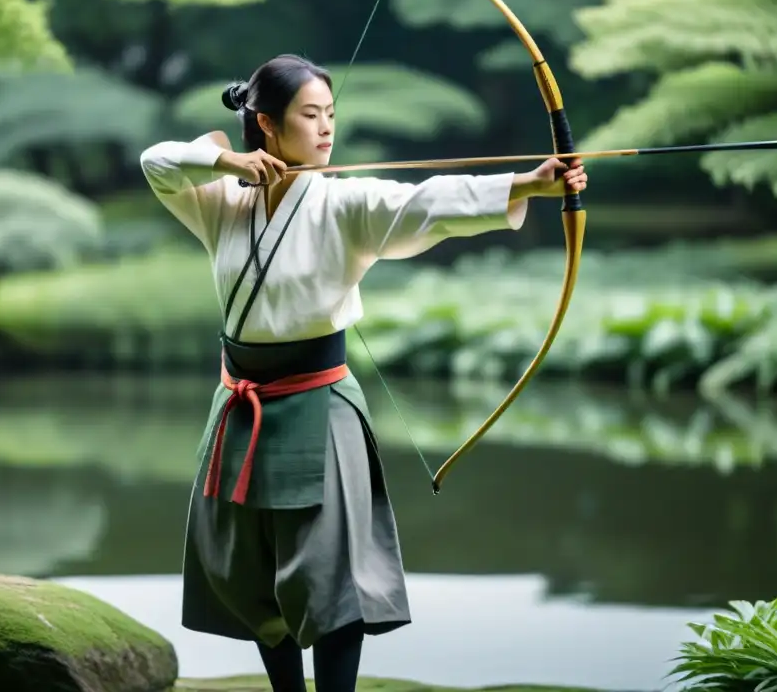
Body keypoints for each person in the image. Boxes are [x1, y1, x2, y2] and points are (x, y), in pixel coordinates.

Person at [138, 53, 588, 692]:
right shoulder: (221, 204)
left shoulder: (345, 203)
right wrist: (224, 162)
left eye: (331, 115)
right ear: (265, 124)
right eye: (310, 115)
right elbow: (155, 162)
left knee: (331, 575)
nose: (326, 129)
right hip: (243, 405)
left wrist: (526, 185)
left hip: (318, 405)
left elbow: (426, 202)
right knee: (257, 572)